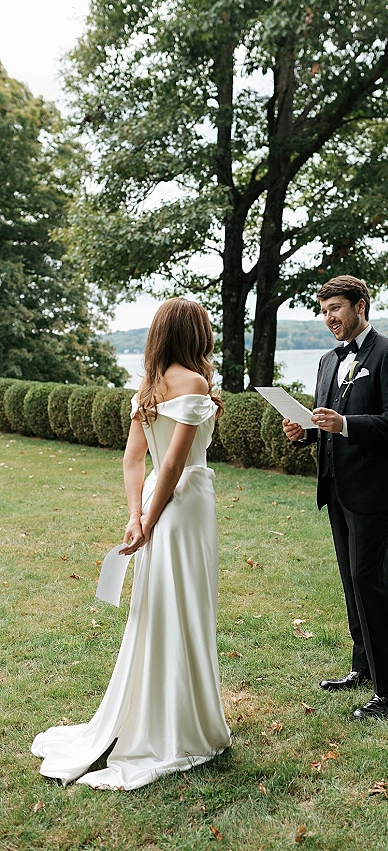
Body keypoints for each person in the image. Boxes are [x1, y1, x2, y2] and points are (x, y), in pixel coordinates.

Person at [32, 298, 231, 789]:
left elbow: (132, 463)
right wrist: (149, 519)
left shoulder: (149, 386)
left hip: (155, 505)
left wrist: (136, 514)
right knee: (185, 606)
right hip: (183, 509)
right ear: (195, 333)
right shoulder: (195, 383)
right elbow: (174, 467)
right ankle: (181, 724)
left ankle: (163, 710)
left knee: (163, 606)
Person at [283, 275, 388, 720]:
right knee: (351, 580)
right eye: (324, 312)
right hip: (336, 486)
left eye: (336, 309)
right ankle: (364, 669)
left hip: (375, 488)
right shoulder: (327, 361)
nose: (329, 319)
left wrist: (346, 425)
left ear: (362, 306)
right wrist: (303, 432)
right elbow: (324, 420)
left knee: (371, 582)